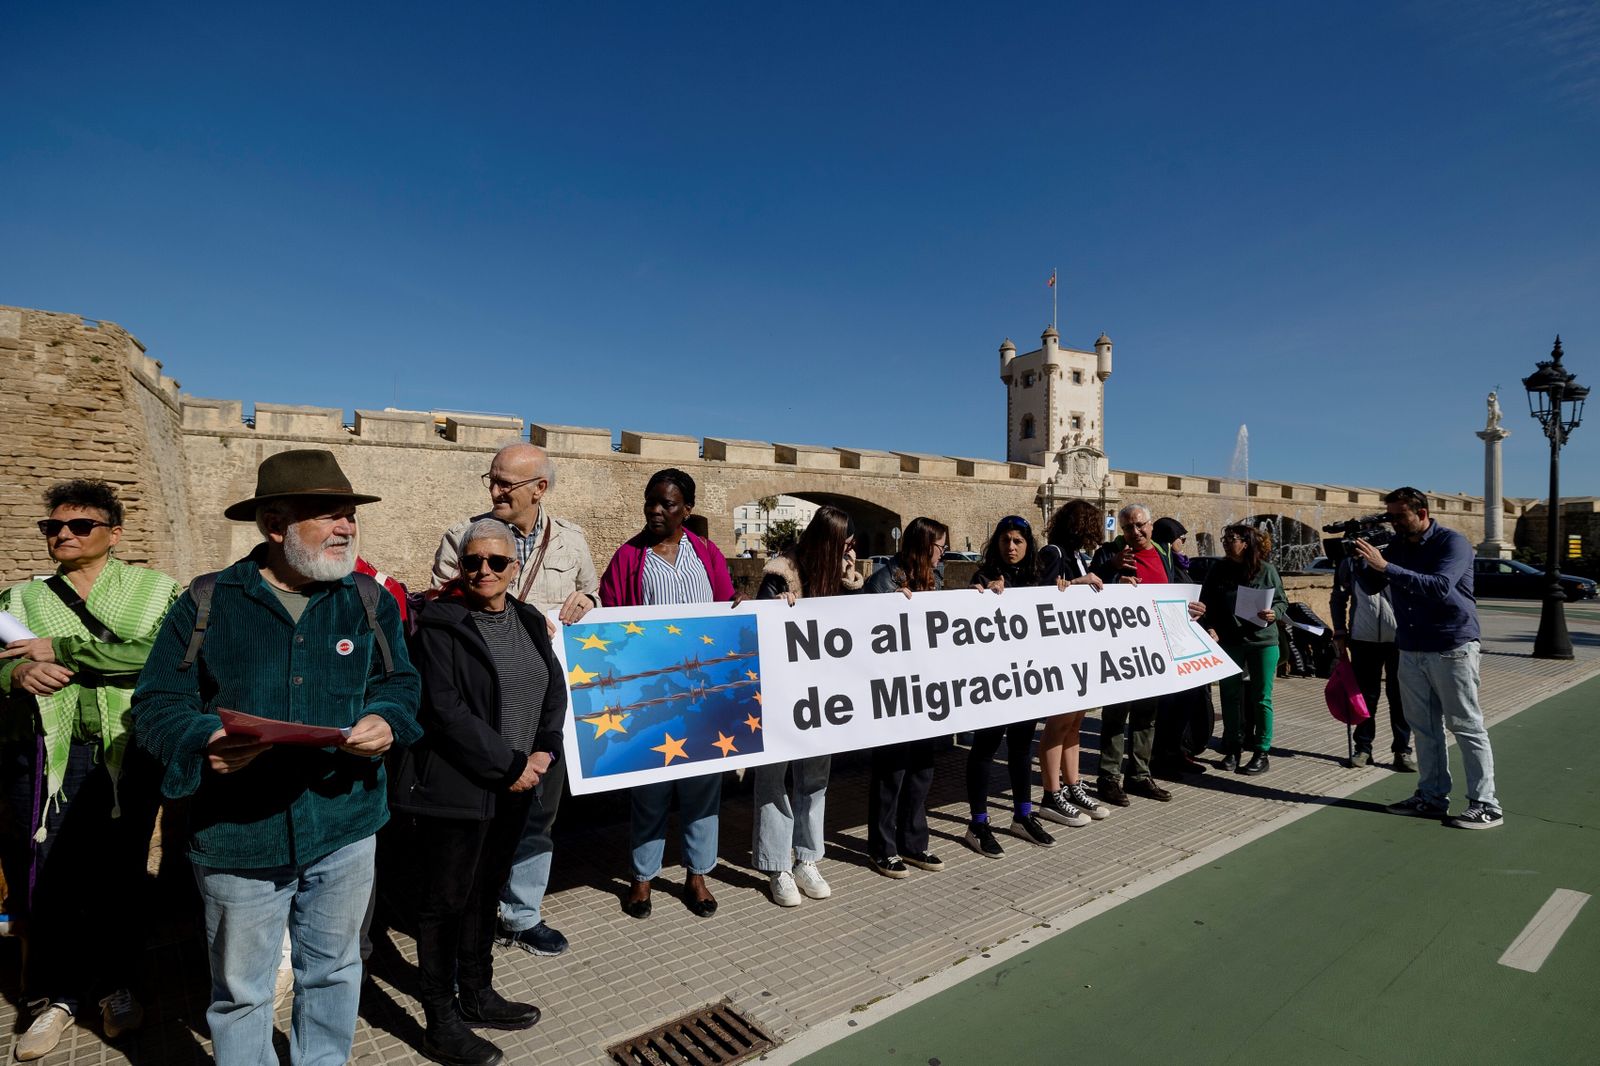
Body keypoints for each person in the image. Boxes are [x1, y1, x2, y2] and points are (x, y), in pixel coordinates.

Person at [132, 449, 421, 1066]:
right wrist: (206, 739)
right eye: (329, 514)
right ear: (274, 525)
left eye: (350, 514)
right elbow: (157, 703)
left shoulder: (368, 600)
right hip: (240, 837)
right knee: (241, 995)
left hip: (345, 825)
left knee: (336, 971)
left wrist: (386, 720)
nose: (347, 527)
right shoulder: (208, 603)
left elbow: (401, 685)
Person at [0, 481, 178, 1061]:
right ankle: (56, 997)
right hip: (47, 752)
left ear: (114, 533)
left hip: (128, 748)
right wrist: (16, 677)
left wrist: (66, 651)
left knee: (121, 870)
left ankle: (121, 985)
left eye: (79, 526)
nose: (64, 536)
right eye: (53, 527)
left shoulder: (156, 592)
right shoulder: (19, 600)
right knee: (47, 872)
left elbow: (164, 655)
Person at [392, 519, 564, 1066]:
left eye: (496, 562)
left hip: (517, 784)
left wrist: (543, 750)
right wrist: (510, 763)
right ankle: (440, 1021)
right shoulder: (440, 625)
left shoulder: (530, 618)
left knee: (486, 892)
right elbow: (444, 711)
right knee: (445, 902)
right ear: (459, 567)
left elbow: (551, 688)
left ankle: (479, 993)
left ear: (514, 568)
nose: (483, 571)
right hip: (459, 788)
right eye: (473, 562)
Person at [432, 442, 599, 959]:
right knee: (477, 818)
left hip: (541, 701)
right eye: (493, 479)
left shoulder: (571, 541)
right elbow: (438, 607)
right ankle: (469, 918)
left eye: (506, 483)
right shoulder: (463, 538)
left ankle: (521, 913)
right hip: (482, 705)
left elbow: (594, 594)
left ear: (538, 489)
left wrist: (587, 601)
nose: (495, 490)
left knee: (538, 815)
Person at [598, 469, 737, 918]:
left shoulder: (707, 554)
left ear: (687, 510)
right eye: (651, 501)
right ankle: (642, 877)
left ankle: (697, 874)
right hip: (653, 693)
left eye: (668, 504)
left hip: (704, 695)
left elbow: (727, 610)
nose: (656, 510)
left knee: (702, 789)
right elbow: (611, 623)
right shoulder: (628, 558)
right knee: (650, 789)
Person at [1353, 488, 1501, 829]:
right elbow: (1374, 587)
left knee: (1465, 725)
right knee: (1424, 728)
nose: (1395, 523)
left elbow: (1438, 586)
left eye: (1400, 516)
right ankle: (1432, 797)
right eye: (1390, 516)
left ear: (1422, 512)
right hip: (1411, 647)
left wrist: (1386, 565)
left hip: (1452, 645)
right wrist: (1364, 562)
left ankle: (1486, 803)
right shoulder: (1399, 547)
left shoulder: (1453, 543)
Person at [751, 505, 862, 906]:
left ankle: (807, 858)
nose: (852, 551)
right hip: (782, 695)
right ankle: (776, 863)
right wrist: (781, 606)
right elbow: (761, 628)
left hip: (823, 696)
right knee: (773, 779)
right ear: (830, 541)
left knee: (815, 777)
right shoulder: (781, 573)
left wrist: (856, 583)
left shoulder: (842, 577)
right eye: (847, 544)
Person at [1089, 504, 1206, 805]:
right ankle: (1108, 778)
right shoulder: (1108, 553)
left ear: (1151, 525)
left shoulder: (1164, 554)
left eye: (1140, 525)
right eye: (1128, 527)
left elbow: (1176, 591)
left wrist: (1193, 608)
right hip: (1121, 648)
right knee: (1116, 715)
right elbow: (1090, 593)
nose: (1135, 532)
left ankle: (1139, 774)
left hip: (1155, 646)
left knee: (1146, 714)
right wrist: (1113, 572)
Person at [963, 515, 1057, 857]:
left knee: (1020, 749)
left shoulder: (1036, 577)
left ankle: (1023, 814)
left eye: (1018, 541)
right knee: (985, 750)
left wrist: (1069, 588)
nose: (1012, 547)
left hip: (1026, 678)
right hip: (994, 681)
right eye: (1006, 541)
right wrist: (981, 596)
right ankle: (978, 822)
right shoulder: (984, 577)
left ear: (1028, 544)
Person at [862, 517, 949, 878]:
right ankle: (882, 848)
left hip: (925, 689)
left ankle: (914, 842)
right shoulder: (884, 581)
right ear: (924, 544)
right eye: (940, 545)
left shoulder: (937, 579)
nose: (944, 553)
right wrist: (890, 610)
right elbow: (860, 629)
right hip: (894, 692)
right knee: (891, 772)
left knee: (922, 770)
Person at [1033, 501, 1110, 828]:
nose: (1097, 533)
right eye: (1093, 526)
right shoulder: (1054, 553)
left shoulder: (1077, 556)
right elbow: (1040, 597)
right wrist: (1079, 584)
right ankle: (1051, 795)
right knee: (1058, 724)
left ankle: (1072, 785)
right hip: (1059, 654)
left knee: (1075, 721)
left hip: (1079, 652)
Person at [1199, 525, 1289, 776]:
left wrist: (1275, 613)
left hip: (1262, 641)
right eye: (1224, 538)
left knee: (1262, 697)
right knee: (1229, 695)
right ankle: (1233, 747)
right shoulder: (1218, 569)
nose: (1226, 543)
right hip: (1230, 640)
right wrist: (1210, 626)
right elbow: (1205, 602)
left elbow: (1282, 601)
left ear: (1246, 543)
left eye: (1232, 539)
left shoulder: (1266, 570)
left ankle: (1262, 751)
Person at [1330, 548, 1415, 771]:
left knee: (1400, 696)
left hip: (1400, 639)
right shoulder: (1350, 562)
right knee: (1365, 697)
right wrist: (1339, 629)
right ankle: (1363, 748)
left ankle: (1402, 750)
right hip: (1362, 639)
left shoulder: (1397, 558)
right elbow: (1338, 596)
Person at [1148, 517, 1213, 778]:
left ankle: (1177, 751)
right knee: (1170, 707)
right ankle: (1164, 758)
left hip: (1185, 642)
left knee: (1186, 704)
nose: (1184, 543)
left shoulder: (1178, 565)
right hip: (1169, 646)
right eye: (1181, 538)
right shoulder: (1164, 568)